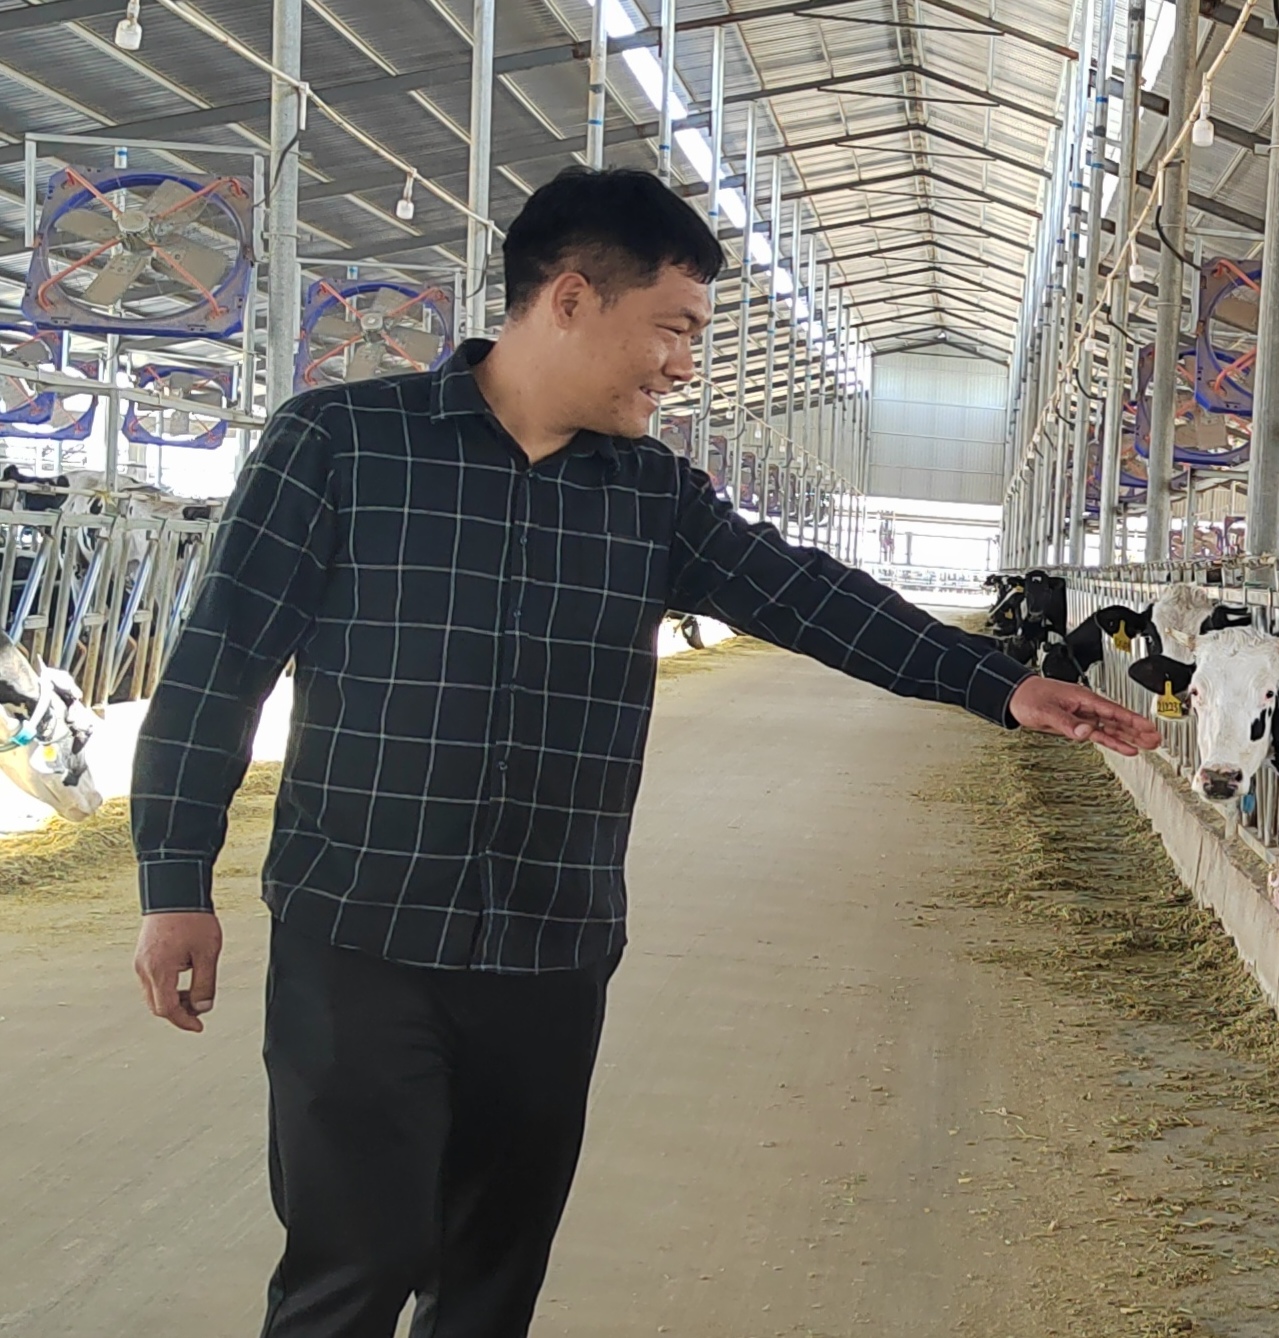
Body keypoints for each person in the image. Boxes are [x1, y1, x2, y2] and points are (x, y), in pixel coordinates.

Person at [129, 165, 1158, 1338]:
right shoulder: (341, 445)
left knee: (490, 1278)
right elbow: (218, 668)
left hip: (549, 947)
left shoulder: (652, 496)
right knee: (352, 1265)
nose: (683, 366)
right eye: (673, 329)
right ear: (571, 298)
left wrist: (999, 682)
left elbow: (808, 596)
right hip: (358, 930)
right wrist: (174, 881)